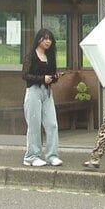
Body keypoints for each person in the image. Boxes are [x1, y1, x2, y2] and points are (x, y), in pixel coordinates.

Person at [21, 28, 63, 167]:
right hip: (33, 92)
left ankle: (52, 155)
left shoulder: (50, 57)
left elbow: (50, 76)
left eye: (50, 39)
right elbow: (25, 75)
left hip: (47, 92)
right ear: (39, 39)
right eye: (45, 38)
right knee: (34, 125)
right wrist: (42, 79)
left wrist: (55, 77)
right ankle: (31, 156)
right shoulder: (31, 56)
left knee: (52, 124)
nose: (48, 41)